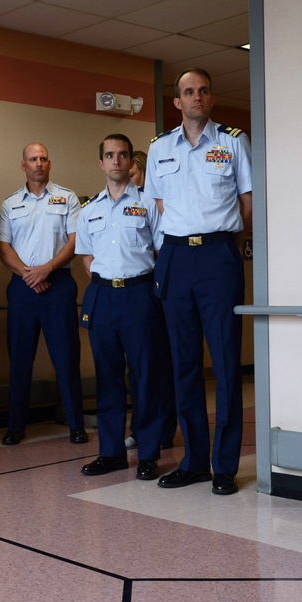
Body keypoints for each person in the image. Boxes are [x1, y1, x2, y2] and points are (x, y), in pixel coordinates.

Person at [146, 68, 252, 496]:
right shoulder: (159, 149)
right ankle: (193, 462)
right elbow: (157, 204)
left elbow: (247, 204)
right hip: (174, 256)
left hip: (217, 255)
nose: (196, 97)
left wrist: (223, 244)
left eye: (203, 91)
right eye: (188, 92)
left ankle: (224, 465)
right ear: (177, 102)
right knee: (183, 364)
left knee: (226, 363)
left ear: (211, 98)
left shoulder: (233, 142)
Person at [76, 134, 163, 480]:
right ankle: (111, 453)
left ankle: (149, 453)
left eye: (122, 155)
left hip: (139, 295)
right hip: (102, 297)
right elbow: (86, 255)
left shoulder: (148, 204)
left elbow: (160, 251)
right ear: (101, 163)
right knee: (107, 377)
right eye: (109, 155)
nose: (116, 161)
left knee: (145, 377)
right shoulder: (89, 210)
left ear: (130, 162)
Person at [0, 143, 88, 446]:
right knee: (20, 359)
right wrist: (28, 273)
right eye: (32, 159)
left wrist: (45, 269)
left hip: (57, 285)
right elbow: (2, 246)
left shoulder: (68, 198)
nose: (38, 164)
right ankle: (15, 427)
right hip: (23, 286)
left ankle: (76, 424)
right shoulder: (10, 203)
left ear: (50, 164)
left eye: (43, 158)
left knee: (66, 358)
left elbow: (74, 241)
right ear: (23, 165)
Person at [121, 147, 177, 452]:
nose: (127, 179)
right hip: (133, 293)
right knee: (138, 369)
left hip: (156, 290)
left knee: (159, 367)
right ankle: (140, 428)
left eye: (133, 174)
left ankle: (163, 429)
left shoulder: (152, 205)